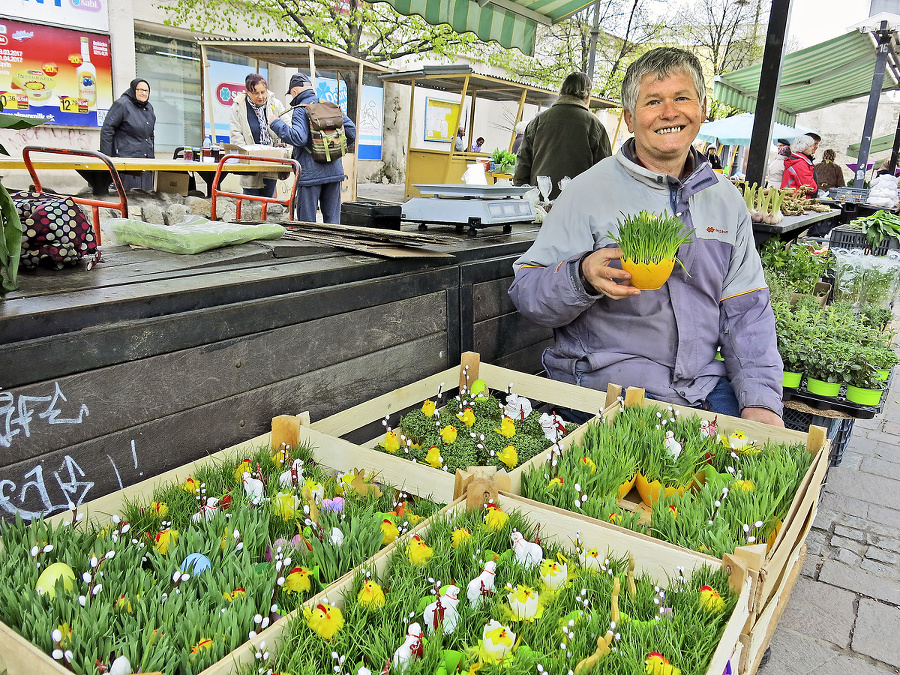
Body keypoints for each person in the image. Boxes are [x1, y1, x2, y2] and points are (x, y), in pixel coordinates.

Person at [508, 47, 784, 427]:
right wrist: (582, 276)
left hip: (701, 387)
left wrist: (761, 401)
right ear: (630, 118)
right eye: (653, 101)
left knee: (768, 468)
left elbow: (747, 312)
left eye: (682, 98)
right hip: (605, 389)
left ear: (702, 108)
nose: (670, 112)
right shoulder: (588, 192)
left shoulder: (725, 199)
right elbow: (527, 294)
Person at [268, 72, 356, 223]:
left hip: (310, 175)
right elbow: (351, 131)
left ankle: (309, 247)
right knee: (333, 222)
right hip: (334, 172)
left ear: (294, 92)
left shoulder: (301, 109)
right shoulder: (328, 105)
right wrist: (334, 149)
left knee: (307, 223)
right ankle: (333, 246)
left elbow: (298, 138)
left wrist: (276, 123)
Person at [513, 72, 611, 201]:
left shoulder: (538, 121)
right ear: (587, 93)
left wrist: (524, 197)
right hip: (579, 205)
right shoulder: (594, 125)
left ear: (562, 91)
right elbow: (605, 172)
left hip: (539, 204)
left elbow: (522, 165)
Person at [229, 73, 287, 198]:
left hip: (271, 160)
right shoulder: (238, 107)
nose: (261, 97)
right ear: (248, 92)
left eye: (263, 92)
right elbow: (236, 135)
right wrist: (247, 155)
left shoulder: (275, 104)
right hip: (250, 161)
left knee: (268, 200)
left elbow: (287, 125)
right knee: (250, 201)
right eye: (256, 93)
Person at [99, 78, 155, 191]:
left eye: (146, 91)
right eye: (140, 90)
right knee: (129, 195)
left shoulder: (149, 108)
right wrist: (106, 156)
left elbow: (150, 134)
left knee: (145, 195)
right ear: (133, 89)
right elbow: (107, 129)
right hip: (126, 159)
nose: (143, 93)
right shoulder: (122, 104)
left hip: (146, 159)